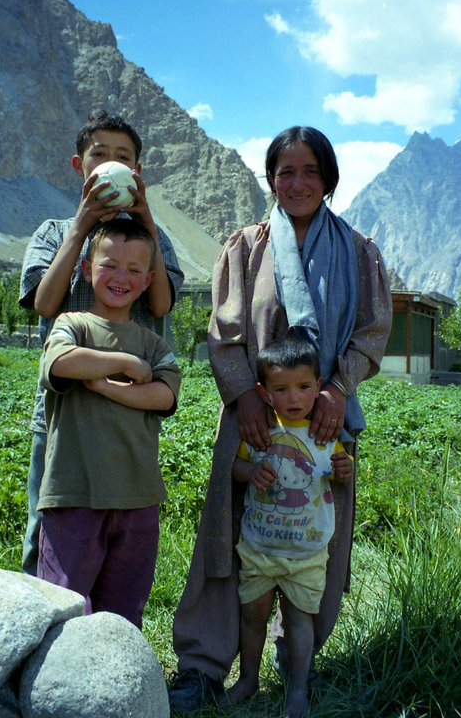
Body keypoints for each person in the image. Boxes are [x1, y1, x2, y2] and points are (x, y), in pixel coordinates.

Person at [168, 125, 392, 712]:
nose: (296, 183)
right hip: (252, 418)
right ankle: (206, 662)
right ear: (271, 178)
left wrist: (338, 390)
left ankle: (300, 661)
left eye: (310, 172)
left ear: (329, 180)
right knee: (229, 532)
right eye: (285, 171)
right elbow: (225, 331)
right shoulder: (245, 246)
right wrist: (244, 395)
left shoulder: (359, 251)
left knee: (317, 538)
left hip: (323, 422)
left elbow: (373, 331)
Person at [19, 111, 184, 575]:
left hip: (128, 414)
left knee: (117, 532)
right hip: (60, 416)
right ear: (80, 166)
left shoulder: (153, 238)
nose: (111, 162)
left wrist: (147, 221)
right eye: (100, 155)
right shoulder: (53, 231)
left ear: (137, 172)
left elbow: (161, 304)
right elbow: (44, 305)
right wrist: (80, 227)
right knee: (46, 530)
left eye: (124, 157)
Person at [37, 218, 182, 628]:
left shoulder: (154, 343)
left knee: (123, 613)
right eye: (109, 265)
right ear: (87, 269)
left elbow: (164, 395)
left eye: (134, 270)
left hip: (138, 499)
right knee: (63, 607)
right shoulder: (72, 325)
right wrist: (125, 364)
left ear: (148, 279)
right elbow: (61, 362)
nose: (121, 278)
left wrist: (101, 386)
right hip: (74, 493)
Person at [222, 338, 353, 717]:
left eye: (303, 387)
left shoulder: (327, 435)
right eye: (281, 389)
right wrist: (250, 471)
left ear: (319, 387)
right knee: (253, 616)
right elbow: (234, 467)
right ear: (264, 393)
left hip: (308, 553)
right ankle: (248, 679)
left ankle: (296, 688)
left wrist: (346, 470)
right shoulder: (260, 431)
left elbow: (342, 470)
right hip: (258, 549)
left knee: (299, 620)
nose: (294, 397)